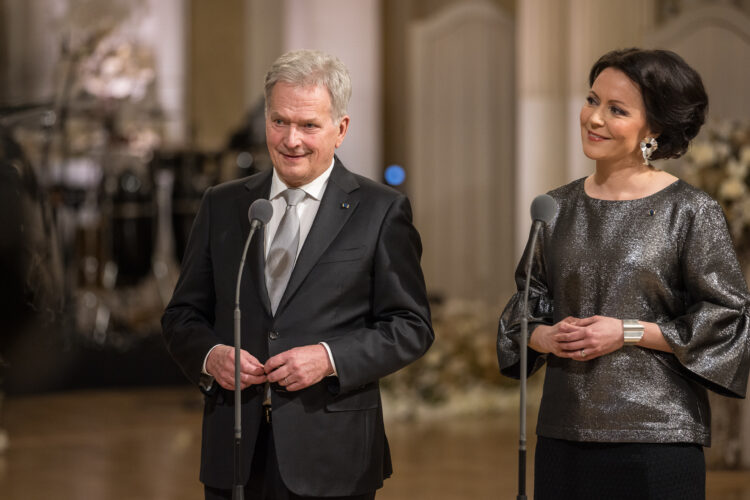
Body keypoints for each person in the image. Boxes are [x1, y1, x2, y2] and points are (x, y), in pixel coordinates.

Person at [162, 49, 433, 499]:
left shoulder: (381, 211)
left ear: (340, 129)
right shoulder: (222, 205)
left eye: (309, 125)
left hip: (334, 455)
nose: (291, 140)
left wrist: (328, 357)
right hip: (235, 454)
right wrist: (211, 356)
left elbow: (411, 327)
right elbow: (181, 316)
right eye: (279, 121)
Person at [497, 48, 750, 499]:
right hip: (563, 432)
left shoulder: (691, 211)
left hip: (658, 436)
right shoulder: (555, 209)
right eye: (592, 100)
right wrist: (543, 336)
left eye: (616, 110)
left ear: (653, 129)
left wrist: (627, 331)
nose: (594, 118)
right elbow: (523, 308)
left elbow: (727, 317)